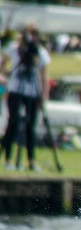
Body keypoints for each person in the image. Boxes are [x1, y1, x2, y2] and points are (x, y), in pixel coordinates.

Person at [1, 23, 49, 171]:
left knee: (30, 126)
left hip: (32, 92)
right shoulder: (14, 49)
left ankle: (31, 161)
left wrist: (44, 95)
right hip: (15, 89)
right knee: (13, 122)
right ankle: (8, 158)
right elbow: (3, 65)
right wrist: (5, 77)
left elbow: (44, 75)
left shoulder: (39, 52)